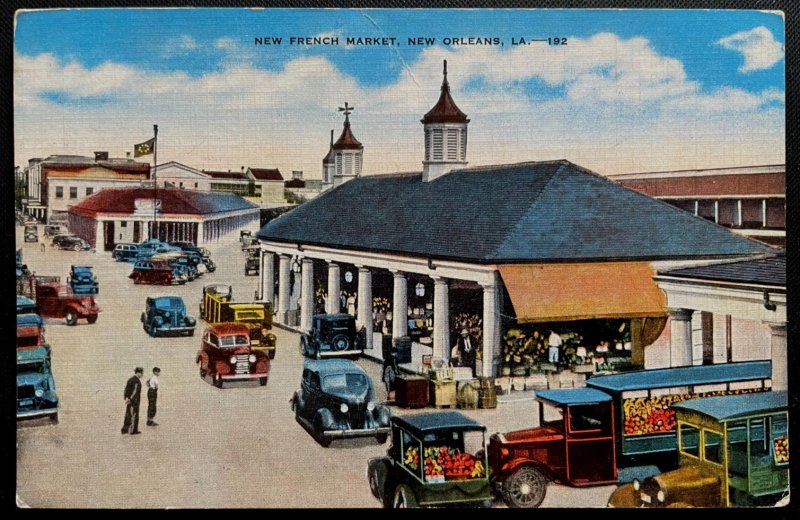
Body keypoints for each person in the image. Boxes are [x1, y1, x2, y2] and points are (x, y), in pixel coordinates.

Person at [122, 367, 143, 435]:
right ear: (138, 373)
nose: (142, 375)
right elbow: (135, 392)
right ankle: (133, 430)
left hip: (130, 400)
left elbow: (126, 390)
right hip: (134, 401)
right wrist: (131, 399)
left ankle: (125, 430)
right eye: (141, 373)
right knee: (134, 415)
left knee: (128, 414)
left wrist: (126, 398)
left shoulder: (130, 379)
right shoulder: (136, 381)